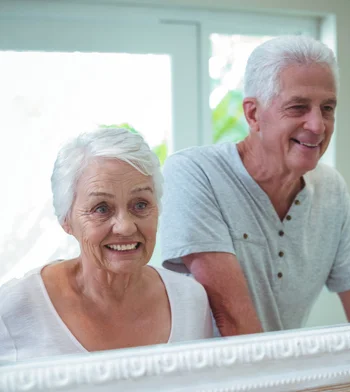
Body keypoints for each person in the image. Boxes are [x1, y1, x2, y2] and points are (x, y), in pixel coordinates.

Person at [160, 35, 350, 336]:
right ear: (253, 114)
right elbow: (233, 321)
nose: (318, 125)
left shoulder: (331, 188)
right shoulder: (194, 172)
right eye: (298, 107)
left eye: (327, 108)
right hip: (206, 378)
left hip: (276, 374)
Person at [0, 128, 213, 362]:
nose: (125, 227)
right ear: (66, 221)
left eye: (140, 205)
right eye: (101, 208)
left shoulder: (190, 300)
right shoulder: (14, 308)